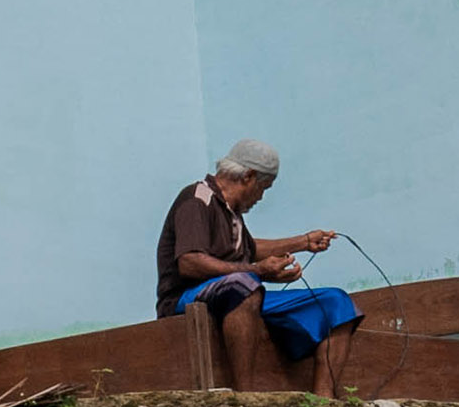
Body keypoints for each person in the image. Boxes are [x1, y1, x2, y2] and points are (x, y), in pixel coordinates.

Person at [154, 138, 364, 391]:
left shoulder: (232, 212)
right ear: (249, 177)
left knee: (335, 302)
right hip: (185, 299)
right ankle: (246, 395)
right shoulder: (197, 199)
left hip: (240, 293)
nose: (261, 197)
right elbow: (190, 262)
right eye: (264, 187)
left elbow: (250, 251)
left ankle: (323, 400)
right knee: (244, 284)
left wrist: (304, 242)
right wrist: (258, 271)